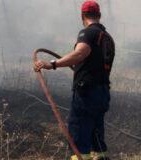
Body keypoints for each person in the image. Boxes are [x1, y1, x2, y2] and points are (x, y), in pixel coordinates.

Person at [34, 1, 115, 160]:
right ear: (99, 15)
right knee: (96, 135)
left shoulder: (88, 33)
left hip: (87, 94)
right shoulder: (108, 38)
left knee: (78, 134)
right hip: (102, 93)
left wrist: (53, 64)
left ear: (83, 16)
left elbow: (80, 53)